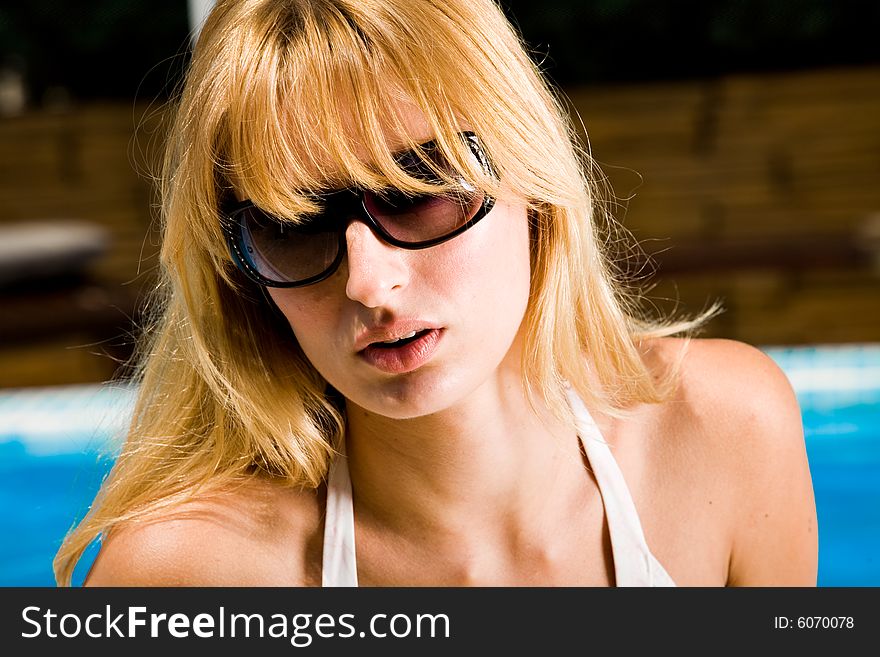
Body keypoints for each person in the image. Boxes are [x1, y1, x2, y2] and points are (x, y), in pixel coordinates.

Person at [55, 0, 817, 587]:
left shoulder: (725, 432)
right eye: (292, 227)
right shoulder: (193, 572)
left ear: (533, 178)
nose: (368, 282)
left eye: (418, 188)